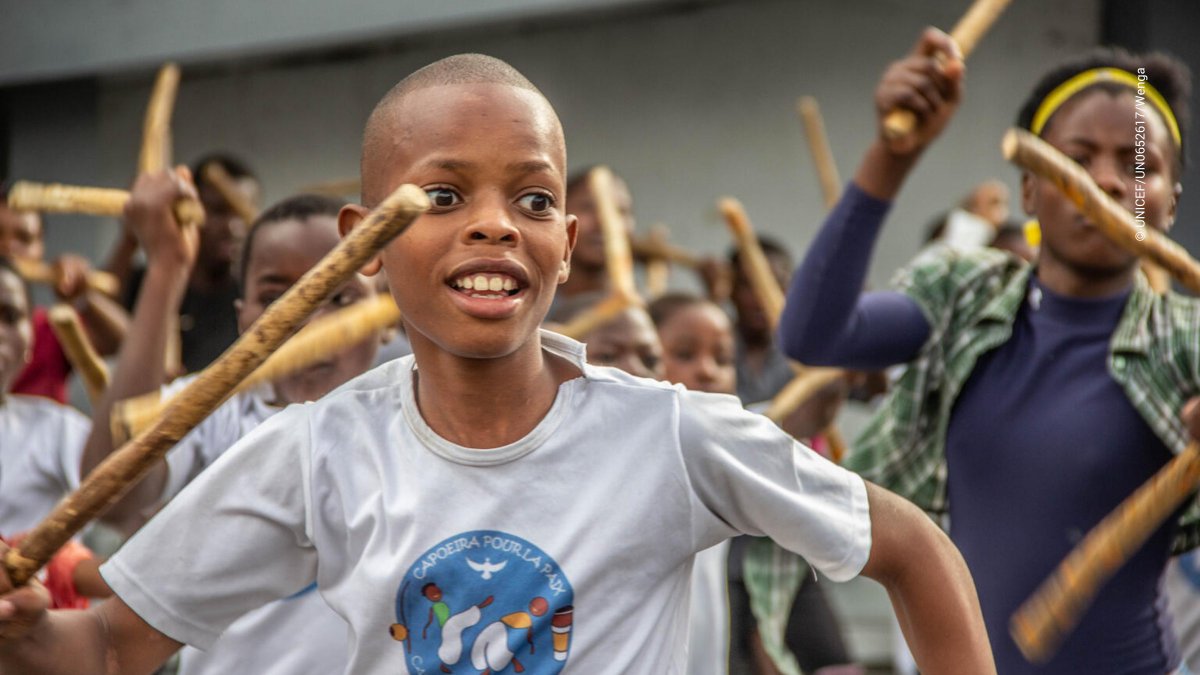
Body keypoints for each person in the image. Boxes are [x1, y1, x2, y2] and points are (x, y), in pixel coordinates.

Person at [0, 53, 994, 675]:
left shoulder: (673, 435)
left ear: (566, 237)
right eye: (440, 199)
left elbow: (912, 549)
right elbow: (112, 646)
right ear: (365, 242)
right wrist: (26, 634)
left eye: (530, 201)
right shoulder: (317, 454)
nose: (491, 226)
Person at [778, 29, 1197, 673]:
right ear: (1030, 189)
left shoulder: (1187, 340)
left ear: (1169, 203)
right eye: (1078, 158)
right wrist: (894, 156)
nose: (1111, 182)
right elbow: (812, 333)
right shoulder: (962, 295)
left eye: (1141, 166)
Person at [80, 177, 381, 675]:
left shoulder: (419, 411)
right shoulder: (218, 407)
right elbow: (110, 494)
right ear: (243, 318)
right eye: (276, 296)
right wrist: (165, 271)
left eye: (341, 297)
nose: (307, 318)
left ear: (387, 313)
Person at [0, 257, 107, 609]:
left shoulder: (58, 430)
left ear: (32, 338)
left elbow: (137, 506)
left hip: (39, 645)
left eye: (10, 316)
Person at [108, 153, 261, 373]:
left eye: (242, 213)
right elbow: (98, 332)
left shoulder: (253, 293)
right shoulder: (150, 282)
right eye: (218, 211)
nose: (233, 228)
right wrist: (129, 238)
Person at [0, 199, 127, 402]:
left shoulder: (53, 328)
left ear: (41, 248)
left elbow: (125, 344)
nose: (8, 247)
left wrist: (82, 297)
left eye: (24, 238)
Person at [545, 166, 635, 323]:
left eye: (620, 211)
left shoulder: (639, 315)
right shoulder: (533, 313)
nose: (605, 223)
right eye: (588, 207)